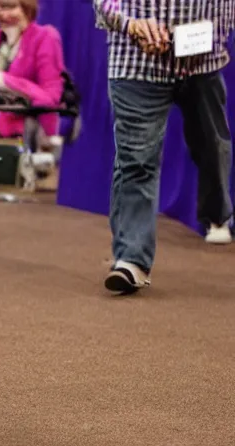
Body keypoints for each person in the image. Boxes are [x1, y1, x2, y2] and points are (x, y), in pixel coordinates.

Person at [94, 0, 235, 295]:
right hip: (136, 65)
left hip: (204, 62)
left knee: (213, 147)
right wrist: (130, 24)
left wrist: (216, 33)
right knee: (136, 161)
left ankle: (218, 213)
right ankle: (131, 259)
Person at [0, 0, 66, 148]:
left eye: (11, 7)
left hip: (32, 143)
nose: (4, 14)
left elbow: (50, 98)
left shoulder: (45, 37)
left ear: (27, 9)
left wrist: (1, 79)